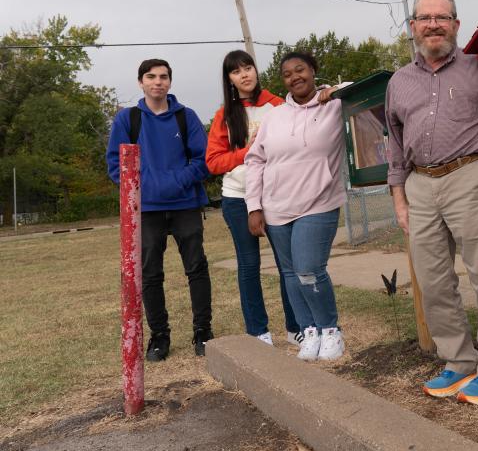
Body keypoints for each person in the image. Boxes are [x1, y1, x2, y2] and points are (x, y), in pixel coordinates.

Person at [385, 0, 478, 406]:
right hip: (419, 185)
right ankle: (458, 362)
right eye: (425, 18)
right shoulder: (399, 82)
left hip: (470, 176)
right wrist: (399, 200)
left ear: (457, 25)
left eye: (443, 18)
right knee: (433, 281)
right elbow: (394, 144)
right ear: (413, 28)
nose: (434, 25)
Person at [106, 59, 213, 360]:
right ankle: (159, 337)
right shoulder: (128, 120)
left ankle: (203, 332)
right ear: (141, 82)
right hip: (146, 209)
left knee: (196, 268)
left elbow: (203, 161)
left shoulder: (186, 117)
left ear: (170, 82)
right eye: (151, 77)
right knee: (150, 274)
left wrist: (177, 181)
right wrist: (149, 188)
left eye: (163, 77)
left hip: (185, 205)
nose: (158, 82)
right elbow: (117, 166)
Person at [244, 51, 346, 362]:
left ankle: (330, 330)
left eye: (300, 70)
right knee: (289, 273)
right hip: (276, 206)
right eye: (287, 74)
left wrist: (337, 90)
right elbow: (255, 159)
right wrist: (254, 206)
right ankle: (309, 330)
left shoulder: (336, 105)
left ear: (314, 71)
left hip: (318, 202)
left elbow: (368, 90)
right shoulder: (275, 116)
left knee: (308, 269)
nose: (294, 77)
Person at [206, 50, 301, 348]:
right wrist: (249, 152)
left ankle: (295, 327)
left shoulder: (278, 106)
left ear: (256, 70)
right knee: (249, 265)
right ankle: (258, 331)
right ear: (230, 80)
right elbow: (213, 162)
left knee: (288, 264)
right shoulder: (225, 115)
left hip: (276, 196)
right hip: (237, 198)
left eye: (248, 67)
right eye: (236, 71)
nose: (244, 74)